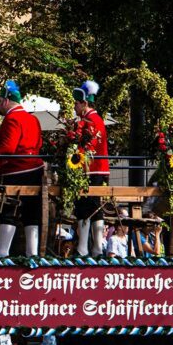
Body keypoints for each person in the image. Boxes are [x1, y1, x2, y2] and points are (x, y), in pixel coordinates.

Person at [0, 80, 44, 257]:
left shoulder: (12, 119)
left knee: (9, 211)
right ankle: (32, 254)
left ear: (5, 101)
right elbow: (39, 144)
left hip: (16, 171)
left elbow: (7, 149)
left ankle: (2, 252)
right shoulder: (33, 118)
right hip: (35, 169)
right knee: (31, 212)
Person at [71, 80, 109, 257]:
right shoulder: (96, 119)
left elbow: (87, 146)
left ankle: (84, 248)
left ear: (84, 103)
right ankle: (96, 248)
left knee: (85, 206)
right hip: (97, 169)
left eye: (76, 103)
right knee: (94, 207)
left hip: (90, 169)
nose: (74, 106)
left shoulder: (90, 120)